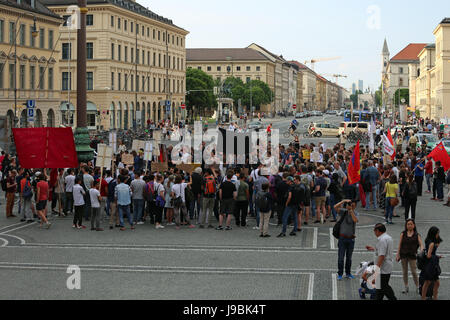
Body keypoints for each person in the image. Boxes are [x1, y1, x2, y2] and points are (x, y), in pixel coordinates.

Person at [366, 223, 397, 301]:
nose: (374, 233)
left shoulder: (382, 240)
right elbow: (383, 251)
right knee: (380, 289)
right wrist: (374, 249)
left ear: (378, 231)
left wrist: (376, 270)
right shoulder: (388, 238)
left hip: (383, 268)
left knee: (384, 287)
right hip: (387, 266)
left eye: (374, 231)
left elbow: (382, 256)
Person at [396, 219, 424, 294]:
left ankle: (418, 286)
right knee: (404, 271)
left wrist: (421, 251)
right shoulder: (403, 234)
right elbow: (399, 245)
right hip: (403, 254)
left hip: (412, 255)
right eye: (408, 224)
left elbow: (421, 244)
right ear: (406, 225)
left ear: (414, 225)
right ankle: (406, 286)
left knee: (414, 272)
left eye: (411, 224)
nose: (409, 225)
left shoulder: (417, 235)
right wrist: (398, 254)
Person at [334, 199, 358, 280]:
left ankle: (348, 273)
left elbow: (355, 220)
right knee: (340, 258)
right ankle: (340, 273)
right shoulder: (343, 211)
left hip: (351, 239)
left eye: (353, 205)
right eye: (351, 205)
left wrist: (351, 211)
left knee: (349, 258)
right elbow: (335, 207)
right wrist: (343, 201)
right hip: (342, 238)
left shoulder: (355, 213)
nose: (352, 206)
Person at [421, 226, 443, 300]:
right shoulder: (432, 244)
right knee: (428, 282)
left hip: (429, 264)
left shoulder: (428, 240)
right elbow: (429, 255)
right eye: (437, 233)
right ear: (434, 234)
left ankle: (428, 298)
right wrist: (437, 257)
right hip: (431, 265)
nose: (438, 234)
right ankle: (426, 298)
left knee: (432, 282)